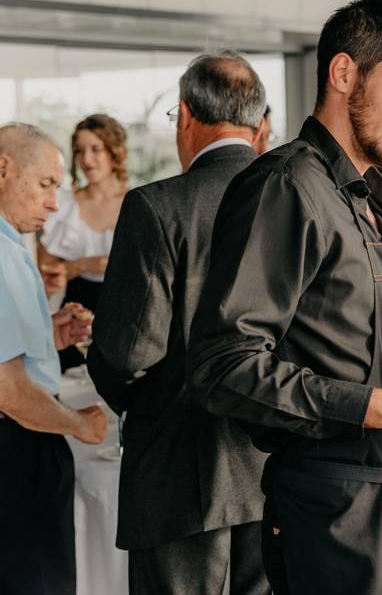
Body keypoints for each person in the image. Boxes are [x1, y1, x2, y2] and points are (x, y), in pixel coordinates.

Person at [187, 0, 382, 595]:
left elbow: (374, 353)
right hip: (337, 525)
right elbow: (222, 367)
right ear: (343, 74)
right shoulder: (285, 186)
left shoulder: (369, 196)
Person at [86, 52, 270, 595]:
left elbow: (127, 354)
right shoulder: (298, 203)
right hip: (275, 466)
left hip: (177, 469)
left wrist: (131, 401)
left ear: (185, 117)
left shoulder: (156, 206)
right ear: (259, 124)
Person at [0, 122, 107, 594]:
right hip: (18, 447)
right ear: (3, 169)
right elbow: (10, 391)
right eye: (45, 185)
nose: (52, 203)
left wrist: (49, 336)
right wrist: (81, 425)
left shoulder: (11, 243)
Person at [39, 114, 128, 369]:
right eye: (80, 150)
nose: (86, 160)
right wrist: (84, 264)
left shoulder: (140, 202)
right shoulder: (63, 205)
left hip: (124, 319)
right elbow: (42, 275)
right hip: (74, 318)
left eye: (95, 149)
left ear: (116, 152)